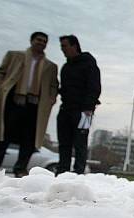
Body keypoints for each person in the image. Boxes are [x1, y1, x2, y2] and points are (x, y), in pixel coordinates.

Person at [0, 32, 59, 177]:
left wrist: (50, 99)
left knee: (29, 139)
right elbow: (0, 73)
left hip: (35, 105)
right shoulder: (14, 56)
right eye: (38, 40)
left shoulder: (50, 66)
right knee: (3, 135)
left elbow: (54, 86)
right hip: (13, 101)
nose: (41, 43)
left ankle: (21, 168)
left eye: (44, 41)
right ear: (31, 41)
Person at [56, 35, 101, 175]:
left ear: (74, 46)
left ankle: (78, 173)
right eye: (61, 46)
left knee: (80, 143)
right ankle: (62, 171)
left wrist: (89, 107)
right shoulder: (65, 68)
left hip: (84, 112)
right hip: (65, 110)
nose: (62, 49)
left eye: (64, 46)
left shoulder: (89, 64)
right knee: (64, 143)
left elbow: (94, 87)